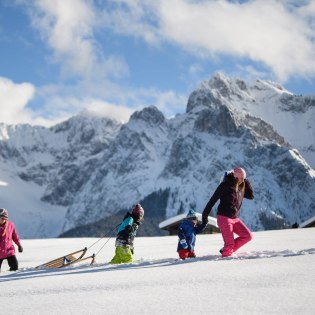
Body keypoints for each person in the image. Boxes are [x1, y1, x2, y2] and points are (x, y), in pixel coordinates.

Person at [202, 167, 254, 257]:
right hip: (224, 218)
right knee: (229, 245)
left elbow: (251, 196)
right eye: (241, 178)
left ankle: (226, 250)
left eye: (244, 178)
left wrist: (247, 182)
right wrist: (204, 216)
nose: (243, 180)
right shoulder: (225, 186)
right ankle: (226, 256)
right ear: (235, 176)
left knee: (247, 236)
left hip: (235, 218)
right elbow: (212, 200)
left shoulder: (240, 187)